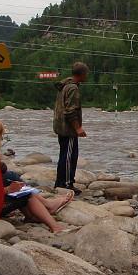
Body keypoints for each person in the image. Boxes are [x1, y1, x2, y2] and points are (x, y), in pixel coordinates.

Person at [53, 62, 89, 194]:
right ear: (82, 74)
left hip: (61, 127)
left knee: (64, 155)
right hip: (68, 129)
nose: (87, 76)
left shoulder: (65, 85)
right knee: (69, 157)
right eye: (86, 74)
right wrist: (78, 128)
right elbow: (70, 111)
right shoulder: (73, 88)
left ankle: (60, 182)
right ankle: (67, 184)